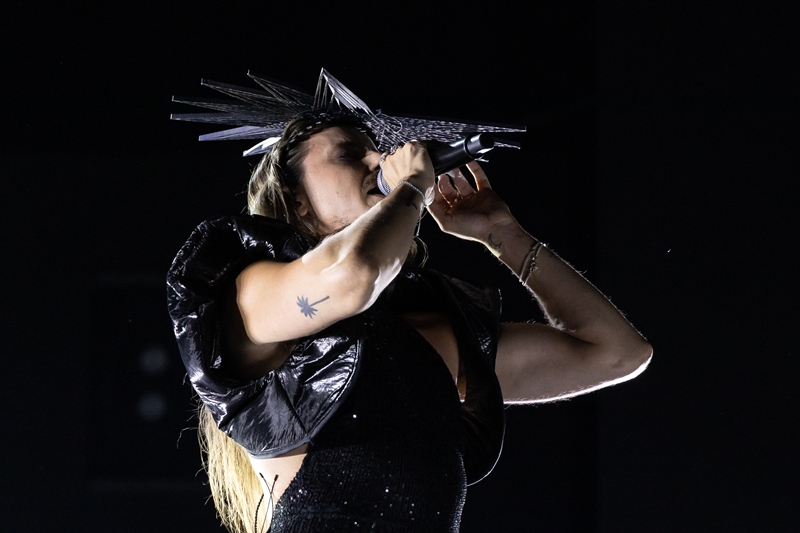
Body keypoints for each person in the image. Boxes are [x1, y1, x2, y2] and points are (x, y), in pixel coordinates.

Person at [167, 112, 652, 532]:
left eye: (377, 150)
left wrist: (504, 235)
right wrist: (413, 187)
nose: (379, 160)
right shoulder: (253, 292)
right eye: (348, 154)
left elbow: (615, 353)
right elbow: (355, 276)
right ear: (297, 201)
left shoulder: (433, 328)